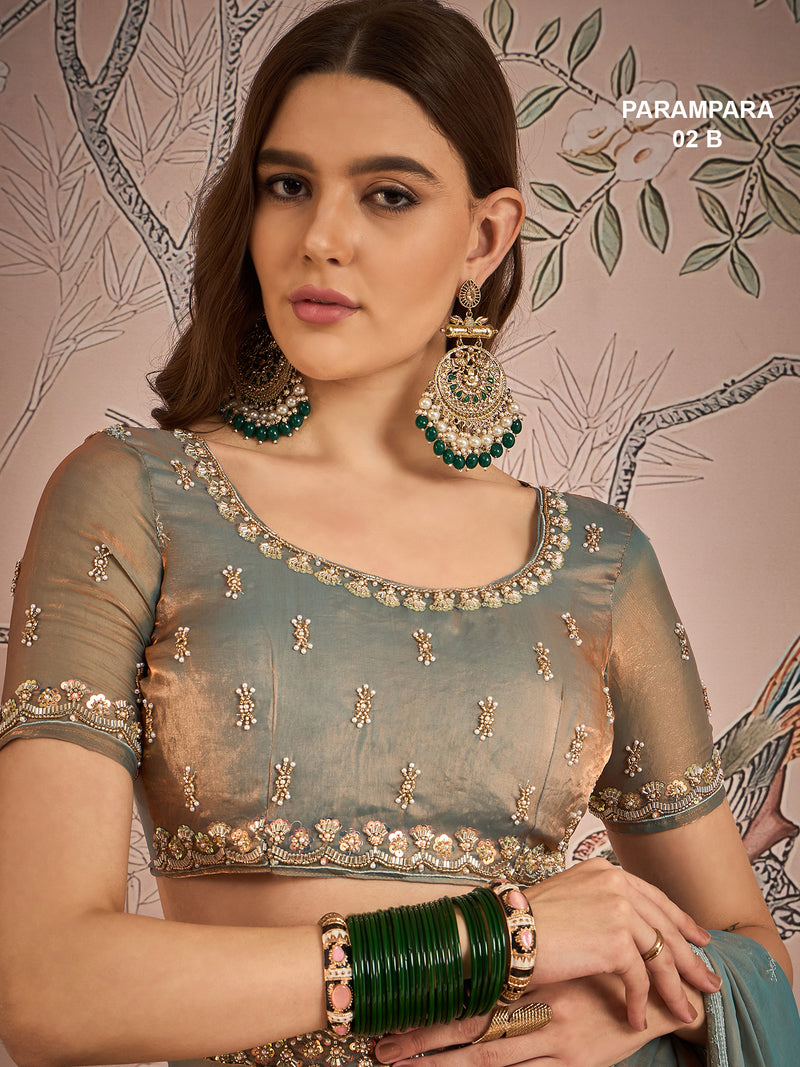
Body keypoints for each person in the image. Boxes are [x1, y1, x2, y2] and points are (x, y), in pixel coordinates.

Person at [0, 1, 797, 1065]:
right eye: (288, 185)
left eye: (387, 194)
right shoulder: (135, 495)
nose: (320, 238)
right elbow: (47, 984)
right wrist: (489, 943)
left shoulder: (597, 563)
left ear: (484, 236)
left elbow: (753, 952)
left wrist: (635, 1009)